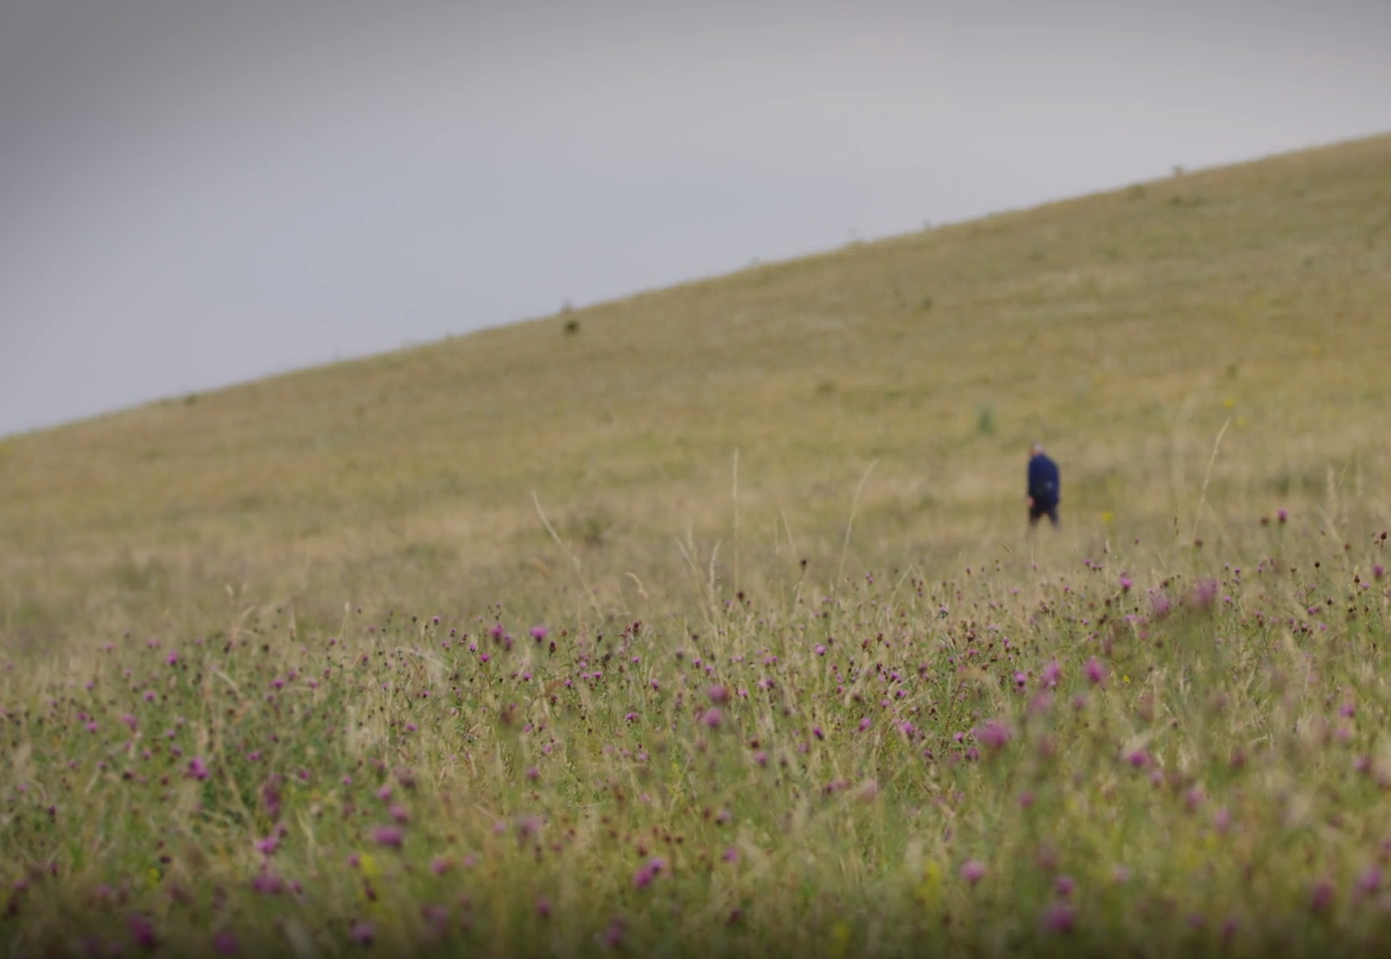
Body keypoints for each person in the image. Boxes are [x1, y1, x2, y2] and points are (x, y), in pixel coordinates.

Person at [1027, 442, 1060, 528]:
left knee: (1033, 520)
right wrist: (1055, 497)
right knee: (1054, 519)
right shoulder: (1052, 464)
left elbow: (1032, 480)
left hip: (1039, 497)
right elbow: (1056, 482)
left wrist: (1031, 496)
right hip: (1051, 496)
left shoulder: (1033, 463)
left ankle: (1030, 538)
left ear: (1034, 451)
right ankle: (1059, 535)